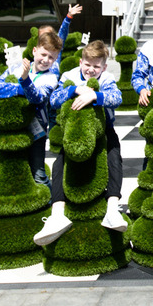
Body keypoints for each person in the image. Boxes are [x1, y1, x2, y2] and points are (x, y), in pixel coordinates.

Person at [34, 40, 127, 245]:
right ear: (80, 61)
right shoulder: (69, 76)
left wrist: (95, 95)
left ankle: (112, 207)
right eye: (87, 64)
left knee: (114, 154)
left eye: (96, 66)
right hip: (74, 131)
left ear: (103, 67)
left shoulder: (108, 78)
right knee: (59, 162)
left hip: (102, 130)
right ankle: (57, 212)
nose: (91, 70)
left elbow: (116, 98)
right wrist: (74, 90)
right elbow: (54, 99)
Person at [0, 30, 62, 190]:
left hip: (35, 129)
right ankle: (1, 173)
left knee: (39, 176)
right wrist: (22, 88)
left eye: (51, 57)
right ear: (34, 50)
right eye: (44, 54)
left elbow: (37, 98)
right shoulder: (17, 67)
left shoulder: (51, 77)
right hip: (8, 124)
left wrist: (25, 81)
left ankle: (53, 205)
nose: (46, 60)